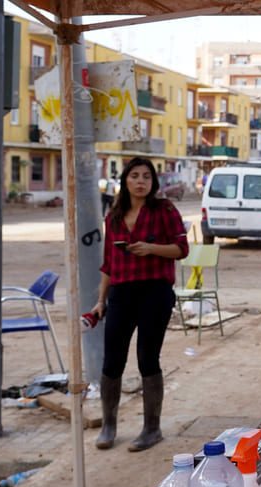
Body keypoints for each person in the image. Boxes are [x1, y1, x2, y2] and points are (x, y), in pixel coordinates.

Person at [88, 156, 189, 452]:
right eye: (135, 176)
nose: (141, 181)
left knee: (148, 358)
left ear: (153, 182)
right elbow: (108, 263)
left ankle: (151, 428)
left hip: (155, 292)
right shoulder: (114, 216)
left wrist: (151, 249)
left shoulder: (165, 210)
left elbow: (182, 249)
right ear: (125, 181)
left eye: (146, 176)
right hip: (121, 293)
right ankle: (108, 425)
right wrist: (100, 300)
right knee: (112, 360)